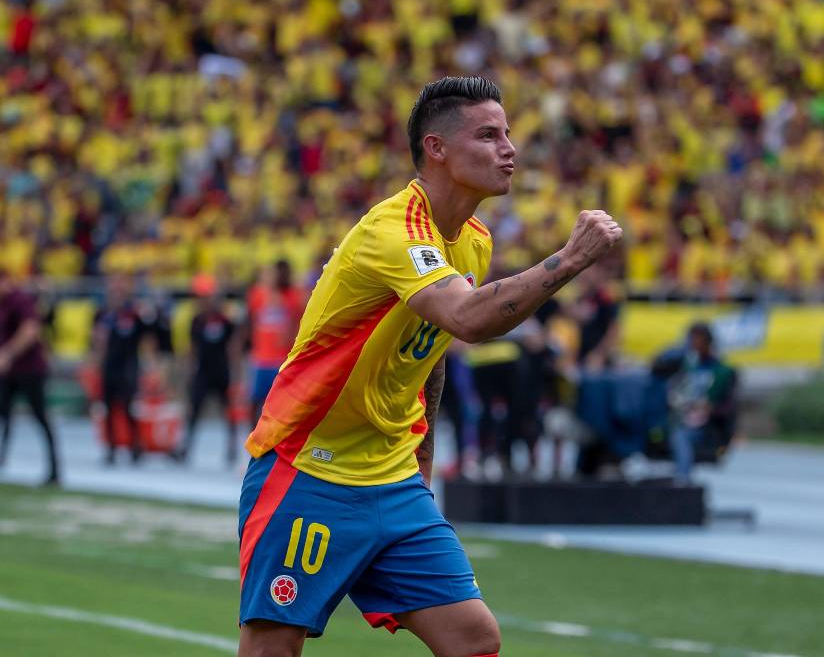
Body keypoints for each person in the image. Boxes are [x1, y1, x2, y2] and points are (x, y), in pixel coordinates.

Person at [237, 76, 622, 657]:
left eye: (508, 134)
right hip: (308, 469)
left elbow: (435, 350)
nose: (509, 149)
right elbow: (466, 317)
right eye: (488, 135)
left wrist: (423, 457)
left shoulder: (472, 240)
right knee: (273, 647)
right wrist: (569, 260)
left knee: (473, 639)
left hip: (393, 480)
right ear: (436, 148)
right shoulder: (390, 230)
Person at [0, 269, 60, 486]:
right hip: (10, 372)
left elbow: (30, 330)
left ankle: (55, 470)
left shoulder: (20, 300)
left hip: (30, 370)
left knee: (40, 418)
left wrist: (8, 353)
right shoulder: (4, 303)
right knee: (3, 414)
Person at [657, 322, 737, 484]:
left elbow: (728, 407)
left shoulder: (721, 371)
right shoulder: (684, 366)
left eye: (698, 340)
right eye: (691, 340)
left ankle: (683, 479)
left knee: (681, 436)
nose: (694, 345)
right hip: (680, 418)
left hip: (706, 426)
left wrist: (710, 409)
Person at [92, 275, 154, 464]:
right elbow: (96, 339)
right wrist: (96, 361)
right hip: (109, 366)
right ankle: (111, 447)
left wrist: (151, 362)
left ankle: (135, 445)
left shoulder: (133, 314)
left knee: (128, 407)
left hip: (128, 366)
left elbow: (148, 336)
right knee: (109, 408)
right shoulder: (102, 313)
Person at [177, 274, 238, 464]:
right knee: (194, 411)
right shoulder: (197, 320)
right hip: (203, 371)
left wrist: (236, 373)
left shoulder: (225, 320)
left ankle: (232, 448)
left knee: (228, 411)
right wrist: (188, 372)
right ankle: (185, 448)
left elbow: (233, 347)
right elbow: (193, 349)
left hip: (221, 371)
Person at [245, 259, 306, 426]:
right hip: (260, 359)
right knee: (254, 402)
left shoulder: (294, 297)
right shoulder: (257, 294)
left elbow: (298, 325)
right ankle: (253, 438)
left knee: (281, 404)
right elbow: (250, 322)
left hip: (282, 360)